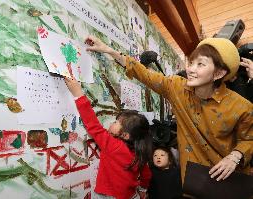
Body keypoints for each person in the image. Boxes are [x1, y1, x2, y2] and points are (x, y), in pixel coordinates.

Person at [84, 36, 253, 185]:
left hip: (231, 181)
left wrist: (235, 156)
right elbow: (142, 73)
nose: (191, 69)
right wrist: (107, 49)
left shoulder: (242, 107)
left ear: (218, 74)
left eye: (200, 64)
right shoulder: (177, 87)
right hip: (195, 182)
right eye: (191, 62)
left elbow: (250, 139)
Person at [63, 77, 153, 199]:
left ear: (125, 135)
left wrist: (78, 94)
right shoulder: (140, 152)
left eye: (116, 122)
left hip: (110, 196)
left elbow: (94, 126)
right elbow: (146, 175)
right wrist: (143, 189)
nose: (112, 122)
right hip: (131, 195)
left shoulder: (115, 146)